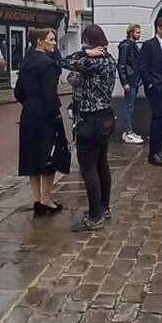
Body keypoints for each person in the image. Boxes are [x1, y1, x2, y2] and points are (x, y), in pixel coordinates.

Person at [59, 24, 117, 232]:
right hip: (106, 116)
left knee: (88, 168)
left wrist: (86, 52)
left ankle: (95, 215)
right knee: (102, 164)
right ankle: (104, 207)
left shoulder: (93, 61)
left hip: (90, 120)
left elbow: (64, 61)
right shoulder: (109, 59)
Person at [15, 28, 69, 215]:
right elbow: (49, 93)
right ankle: (46, 199)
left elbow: (18, 92)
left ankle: (37, 199)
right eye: (51, 39)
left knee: (32, 156)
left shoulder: (26, 62)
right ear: (39, 41)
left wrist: (30, 104)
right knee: (49, 156)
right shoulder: (48, 64)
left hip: (29, 112)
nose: (54, 43)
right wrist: (53, 115)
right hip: (46, 114)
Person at [138, 17, 162, 167]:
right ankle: (153, 154)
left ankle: (159, 150)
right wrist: (149, 84)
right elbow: (142, 66)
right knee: (159, 117)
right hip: (155, 87)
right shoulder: (149, 45)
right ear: (159, 28)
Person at [117, 24, 144, 144]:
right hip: (131, 81)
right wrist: (125, 82)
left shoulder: (132, 46)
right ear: (131, 33)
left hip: (134, 80)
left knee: (130, 106)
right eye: (137, 32)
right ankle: (128, 132)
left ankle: (127, 131)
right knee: (129, 106)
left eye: (139, 32)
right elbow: (121, 65)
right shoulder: (127, 46)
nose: (139, 34)